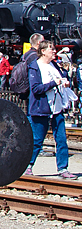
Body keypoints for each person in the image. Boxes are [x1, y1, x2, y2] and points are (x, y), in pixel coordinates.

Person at [25, 38, 77, 179]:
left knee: (61, 139)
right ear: (43, 51)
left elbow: (61, 78)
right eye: (51, 49)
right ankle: (28, 165)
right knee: (37, 139)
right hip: (41, 108)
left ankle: (63, 168)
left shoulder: (54, 65)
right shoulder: (35, 67)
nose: (54, 51)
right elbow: (36, 89)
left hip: (57, 108)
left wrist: (64, 80)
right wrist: (54, 83)